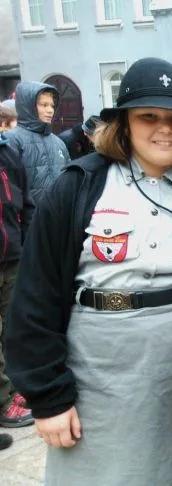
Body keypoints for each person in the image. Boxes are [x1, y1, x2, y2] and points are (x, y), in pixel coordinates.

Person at [4, 58, 172, 485]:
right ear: (124, 123)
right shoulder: (79, 186)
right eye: (149, 116)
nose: (165, 129)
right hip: (100, 380)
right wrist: (49, 398)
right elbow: (35, 296)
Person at [0, 131, 35, 432]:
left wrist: (28, 245)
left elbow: (25, 202)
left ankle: (13, 388)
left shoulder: (8, 154)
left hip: (11, 255)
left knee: (13, 327)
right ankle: (3, 402)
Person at [4, 81, 68, 205]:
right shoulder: (12, 140)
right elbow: (9, 190)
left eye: (52, 106)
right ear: (28, 106)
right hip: (30, 215)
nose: (50, 110)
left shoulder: (59, 142)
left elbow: (68, 180)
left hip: (59, 213)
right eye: (44, 105)